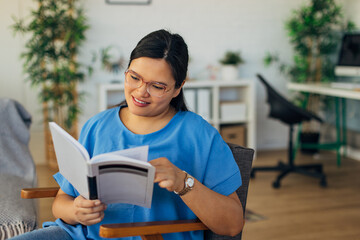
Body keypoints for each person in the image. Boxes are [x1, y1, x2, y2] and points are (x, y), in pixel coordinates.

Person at [11, 29, 244, 240]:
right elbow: (61, 202)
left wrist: (183, 182)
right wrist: (76, 211)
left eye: (158, 86)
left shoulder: (198, 134)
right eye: (134, 77)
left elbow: (232, 225)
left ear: (178, 87)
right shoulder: (97, 125)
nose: (141, 92)